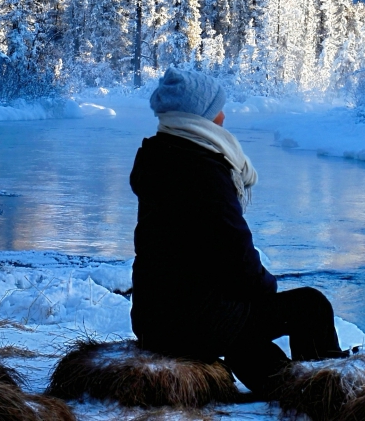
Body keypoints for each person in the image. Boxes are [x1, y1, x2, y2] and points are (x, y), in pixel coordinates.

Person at [130, 66, 345, 396]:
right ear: (198, 116)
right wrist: (266, 287)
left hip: (154, 319)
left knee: (244, 324)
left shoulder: (160, 155)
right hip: (190, 322)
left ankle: (287, 387)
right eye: (217, 109)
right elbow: (234, 253)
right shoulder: (201, 170)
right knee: (310, 306)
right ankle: (326, 393)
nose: (223, 116)